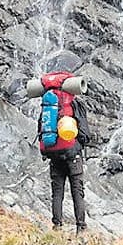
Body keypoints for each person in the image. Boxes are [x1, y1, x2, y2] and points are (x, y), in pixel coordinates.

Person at [47, 96, 90, 235]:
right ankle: (81, 228)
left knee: (57, 193)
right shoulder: (75, 104)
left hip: (54, 156)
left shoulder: (49, 105)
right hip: (73, 156)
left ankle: (57, 227)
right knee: (77, 192)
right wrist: (77, 146)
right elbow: (84, 134)